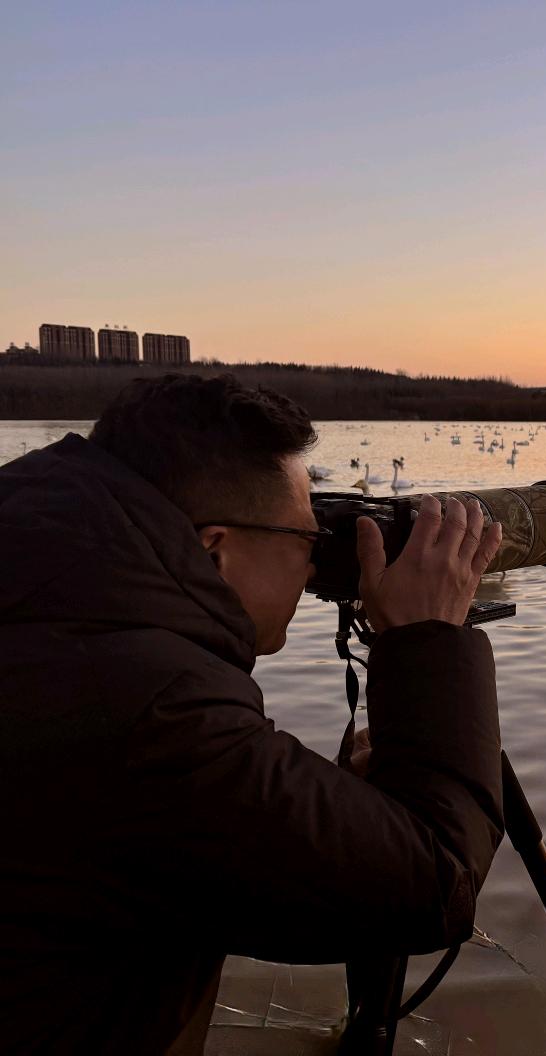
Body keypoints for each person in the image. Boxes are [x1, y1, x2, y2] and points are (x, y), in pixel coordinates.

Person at [0, 373, 504, 1054]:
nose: (312, 569)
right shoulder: (157, 711)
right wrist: (426, 641)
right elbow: (431, 883)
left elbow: (178, 837)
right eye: (306, 539)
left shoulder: (50, 598)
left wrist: (337, 807)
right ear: (215, 548)